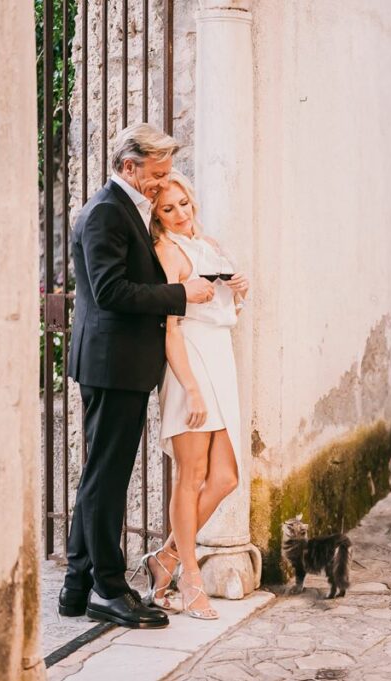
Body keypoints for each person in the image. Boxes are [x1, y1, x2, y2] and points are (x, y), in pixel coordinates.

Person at [58, 124, 214, 629]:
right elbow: (111, 292)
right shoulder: (106, 212)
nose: (161, 183)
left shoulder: (123, 210)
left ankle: (77, 585)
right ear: (130, 167)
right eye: (157, 174)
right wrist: (180, 294)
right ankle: (108, 587)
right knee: (107, 479)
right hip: (111, 364)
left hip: (118, 363)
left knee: (99, 476)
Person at [134, 171, 249, 620]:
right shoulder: (166, 251)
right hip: (191, 365)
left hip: (220, 359)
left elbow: (222, 308)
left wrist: (239, 292)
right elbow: (172, 330)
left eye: (184, 203)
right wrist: (191, 390)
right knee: (191, 474)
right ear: (156, 216)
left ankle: (165, 558)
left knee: (226, 477)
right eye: (169, 208)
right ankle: (190, 578)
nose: (181, 213)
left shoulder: (210, 244)